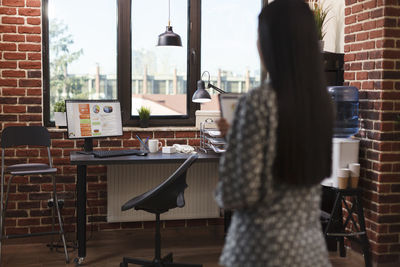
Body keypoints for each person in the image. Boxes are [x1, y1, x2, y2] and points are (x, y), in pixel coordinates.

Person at [215, 0, 334, 266]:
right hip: (309, 252)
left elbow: (237, 194)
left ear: (273, 44)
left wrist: (234, 146)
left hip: (260, 250)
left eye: (260, 36)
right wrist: (239, 137)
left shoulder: (258, 102)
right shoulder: (321, 103)